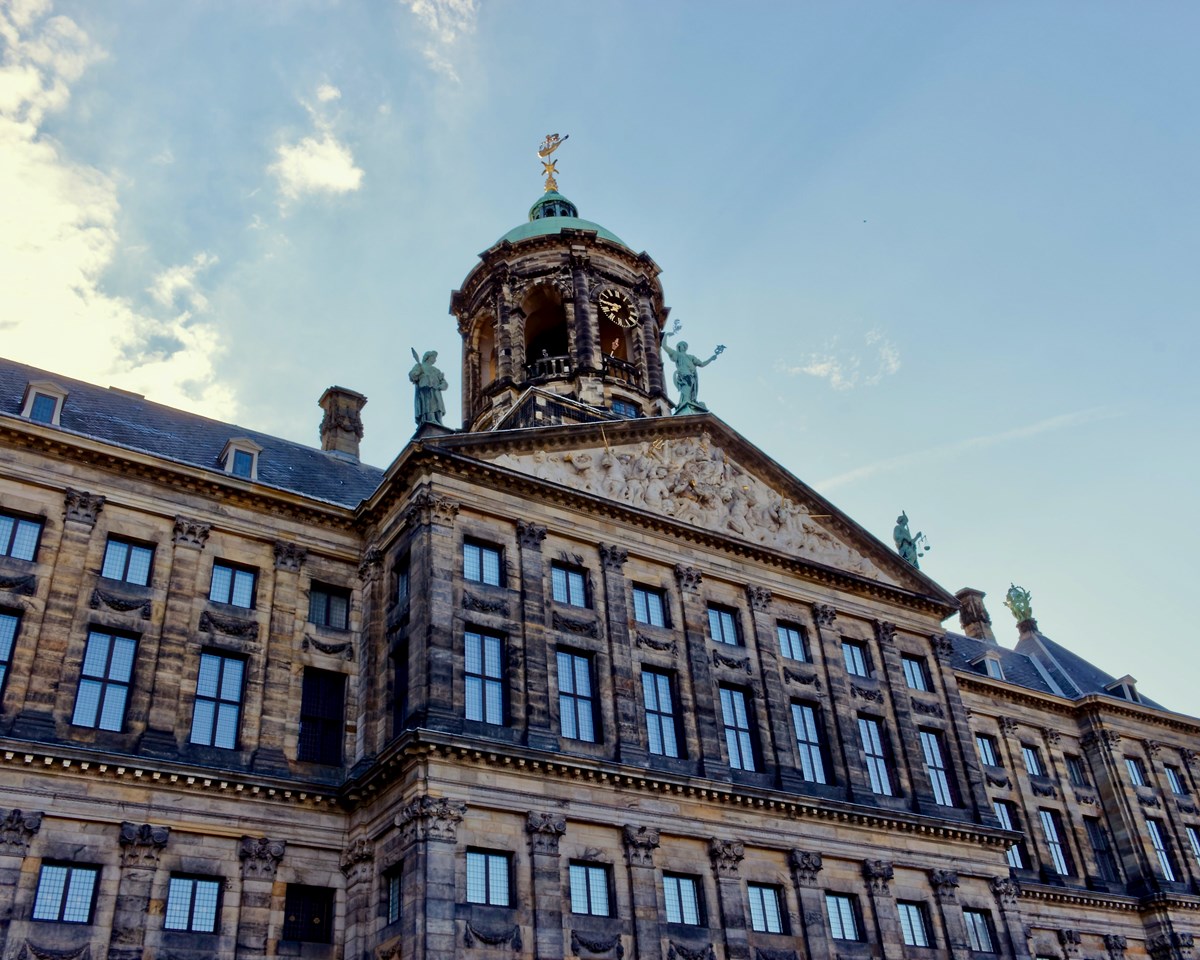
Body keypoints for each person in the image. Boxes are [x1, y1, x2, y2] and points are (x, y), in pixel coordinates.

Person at [661, 327, 724, 414]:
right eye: (681, 345)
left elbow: (702, 364)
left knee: (691, 392)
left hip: (692, 376)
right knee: (686, 390)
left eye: (684, 346)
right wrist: (666, 335)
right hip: (684, 376)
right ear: (679, 347)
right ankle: (685, 403)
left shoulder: (691, 357)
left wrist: (711, 359)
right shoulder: (676, 354)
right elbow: (664, 346)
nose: (683, 347)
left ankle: (689, 403)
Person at [409, 350, 448, 426]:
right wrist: (417, 373)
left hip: (435, 390)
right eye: (433, 357)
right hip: (425, 389)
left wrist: (441, 386)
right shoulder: (419, 366)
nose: (435, 360)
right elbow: (412, 376)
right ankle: (430, 419)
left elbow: (443, 382)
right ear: (428, 357)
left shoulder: (436, 370)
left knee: (438, 405)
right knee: (428, 405)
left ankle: (439, 421)